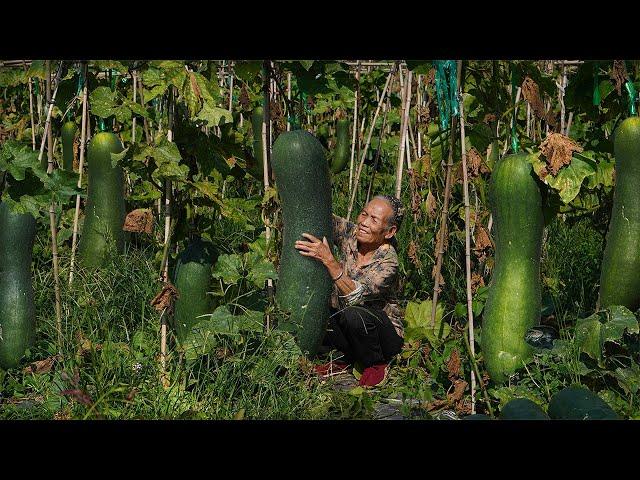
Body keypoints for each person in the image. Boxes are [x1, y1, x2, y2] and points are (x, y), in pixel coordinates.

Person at [294, 195, 405, 388]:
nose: (363, 222)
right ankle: (341, 360)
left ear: (390, 231)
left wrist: (329, 260)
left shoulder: (388, 262)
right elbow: (322, 217)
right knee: (319, 303)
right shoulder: (352, 234)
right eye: (364, 214)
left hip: (381, 337)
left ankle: (376, 364)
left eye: (374, 220)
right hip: (349, 326)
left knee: (354, 313)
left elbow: (356, 295)